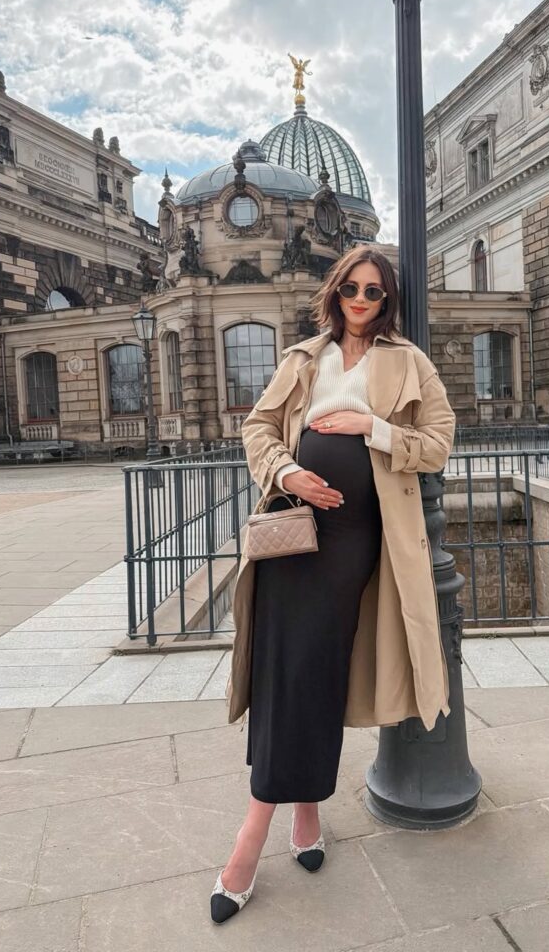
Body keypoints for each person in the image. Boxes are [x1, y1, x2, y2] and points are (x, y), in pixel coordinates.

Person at [211, 244, 456, 923]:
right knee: (282, 673)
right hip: (292, 532)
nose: (361, 300)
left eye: (374, 291)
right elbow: (258, 428)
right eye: (352, 287)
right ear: (335, 291)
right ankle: (304, 815)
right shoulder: (302, 358)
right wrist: (288, 472)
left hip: (353, 542)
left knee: (314, 670)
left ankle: (249, 841)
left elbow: (438, 443)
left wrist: (371, 427)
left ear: (388, 299)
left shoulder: (408, 361)